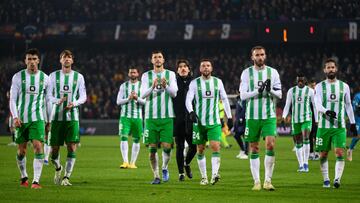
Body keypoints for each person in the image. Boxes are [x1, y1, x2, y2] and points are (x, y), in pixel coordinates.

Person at [239, 46, 282, 191]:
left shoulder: (273, 72)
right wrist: (258, 91)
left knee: (270, 145)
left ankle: (268, 181)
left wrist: (269, 90)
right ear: (252, 57)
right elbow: (243, 95)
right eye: (257, 55)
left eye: (262, 54)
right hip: (252, 117)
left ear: (265, 56)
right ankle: (257, 181)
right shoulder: (246, 73)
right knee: (254, 148)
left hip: (269, 115)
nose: (260, 57)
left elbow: (280, 94)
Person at [186, 59, 232, 186]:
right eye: (203, 66)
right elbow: (188, 98)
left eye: (208, 66)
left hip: (214, 122)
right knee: (200, 150)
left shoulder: (218, 82)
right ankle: (204, 177)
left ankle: (214, 175)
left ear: (211, 68)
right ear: (200, 69)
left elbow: (225, 99)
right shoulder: (195, 83)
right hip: (199, 123)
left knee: (215, 147)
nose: (206, 68)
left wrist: (230, 117)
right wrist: (191, 112)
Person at [314, 58, 357, 188]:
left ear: (336, 69)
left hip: (339, 127)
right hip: (323, 126)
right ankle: (326, 179)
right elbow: (317, 104)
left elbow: (348, 105)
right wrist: (327, 111)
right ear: (324, 70)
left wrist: (353, 123)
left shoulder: (344, 86)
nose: (331, 69)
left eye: (333, 67)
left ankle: (337, 179)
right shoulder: (319, 86)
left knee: (339, 152)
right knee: (323, 154)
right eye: (328, 67)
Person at [9, 48, 49, 189]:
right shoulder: (18, 77)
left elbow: (48, 100)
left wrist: (48, 119)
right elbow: (13, 99)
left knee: (38, 147)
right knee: (22, 151)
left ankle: (36, 181)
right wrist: (15, 117)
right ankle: (24, 175)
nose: (32, 62)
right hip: (21, 119)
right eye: (29, 59)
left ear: (38, 60)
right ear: (25, 61)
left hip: (37, 118)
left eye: (34, 59)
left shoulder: (45, 78)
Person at [47, 50, 87, 186]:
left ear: (72, 60)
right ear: (60, 60)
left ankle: (66, 177)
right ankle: (58, 168)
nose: (67, 59)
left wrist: (74, 103)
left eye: (69, 57)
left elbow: (83, 96)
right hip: (56, 117)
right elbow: (48, 96)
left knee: (72, 147)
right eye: (64, 57)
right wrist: (57, 101)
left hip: (72, 117)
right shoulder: (52, 76)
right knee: (54, 151)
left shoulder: (79, 77)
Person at [140, 50, 178, 184]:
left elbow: (174, 94)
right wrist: (152, 86)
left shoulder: (171, 74)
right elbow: (142, 95)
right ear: (151, 60)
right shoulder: (146, 75)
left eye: (159, 57)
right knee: (152, 149)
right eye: (155, 57)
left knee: (167, 146)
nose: (157, 59)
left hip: (167, 117)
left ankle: (164, 168)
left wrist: (165, 85)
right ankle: (156, 176)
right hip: (150, 118)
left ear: (163, 60)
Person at [282, 74, 318, 172]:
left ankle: (306, 163)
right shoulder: (291, 91)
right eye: (299, 81)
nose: (300, 82)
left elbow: (314, 106)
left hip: (306, 119)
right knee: (298, 142)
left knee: (306, 138)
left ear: (305, 81)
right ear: (296, 81)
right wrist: (283, 117)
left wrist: (317, 119)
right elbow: (287, 105)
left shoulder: (310, 91)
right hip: (295, 120)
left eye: (302, 81)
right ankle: (301, 165)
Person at [173, 59, 197, 181]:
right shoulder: (173, 82)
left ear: (189, 69)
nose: (183, 68)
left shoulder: (195, 82)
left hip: (191, 120)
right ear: (177, 70)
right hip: (177, 119)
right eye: (180, 67)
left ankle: (186, 163)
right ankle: (181, 173)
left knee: (194, 147)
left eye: (185, 66)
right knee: (180, 146)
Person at [117, 67, 145, 169]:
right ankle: (125, 162)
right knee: (123, 138)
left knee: (136, 140)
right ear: (129, 74)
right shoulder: (124, 86)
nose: (133, 74)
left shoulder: (142, 86)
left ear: (138, 73)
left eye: (134, 72)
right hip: (125, 117)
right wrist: (128, 99)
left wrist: (137, 98)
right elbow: (118, 101)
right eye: (131, 72)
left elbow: (146, 102)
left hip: (138, 118)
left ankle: (132, 163)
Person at [308, 79, 320, 160]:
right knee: (310, 135)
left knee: (317, 136)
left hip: (319, 117)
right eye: (312, 86)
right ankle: (311, 152)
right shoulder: (308, 94)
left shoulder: (319, 94)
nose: (314, 87)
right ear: (309, 85)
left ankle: (318, 152)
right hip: (310, 117)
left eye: (315, 85)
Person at [347, 90, 360, 161]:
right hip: (358, 118)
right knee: (358, 136)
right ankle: (350, 150)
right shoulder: (357, 96)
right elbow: (354, 107)